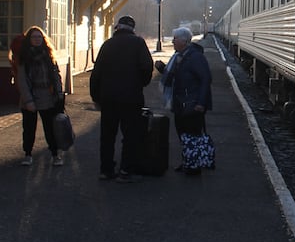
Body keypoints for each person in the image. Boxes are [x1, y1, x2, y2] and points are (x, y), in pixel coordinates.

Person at [90, 15, 153, 182]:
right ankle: (125, 170)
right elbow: (147, 67)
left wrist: (96, 96)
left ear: (117, 27)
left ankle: (106, 170)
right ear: (132, 29)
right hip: (131, 98)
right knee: (130, 135)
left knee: (108, 135)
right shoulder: (139, 43)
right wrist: (141, 83)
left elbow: (96, 74)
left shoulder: (107, 45)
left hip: (108, 98)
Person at [154, 26, 212, 175]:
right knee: (183, 134)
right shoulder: (179, 56)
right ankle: (187, 161)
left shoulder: (194, 57)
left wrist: (201, 103)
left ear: (184, 41)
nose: (173, 41)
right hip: (180, 102)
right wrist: (162, 69)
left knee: (192, 134)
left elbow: (206, 79)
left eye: (175, 39)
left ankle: (194, 166)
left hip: (192, 103)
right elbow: (176, 76)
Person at [14, 26, 65, 166]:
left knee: (50, 128)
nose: (37, 40)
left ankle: (55, 154)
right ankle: (28, 154)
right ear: (29, 40)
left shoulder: (48, 55)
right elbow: (22, 80)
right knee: (29, 128)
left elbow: (56, 76)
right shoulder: (24, 58)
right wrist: (28, 100)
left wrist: (59, 93)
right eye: (34, 37)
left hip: (47, 96)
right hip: (30, 96)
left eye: (39, 37)